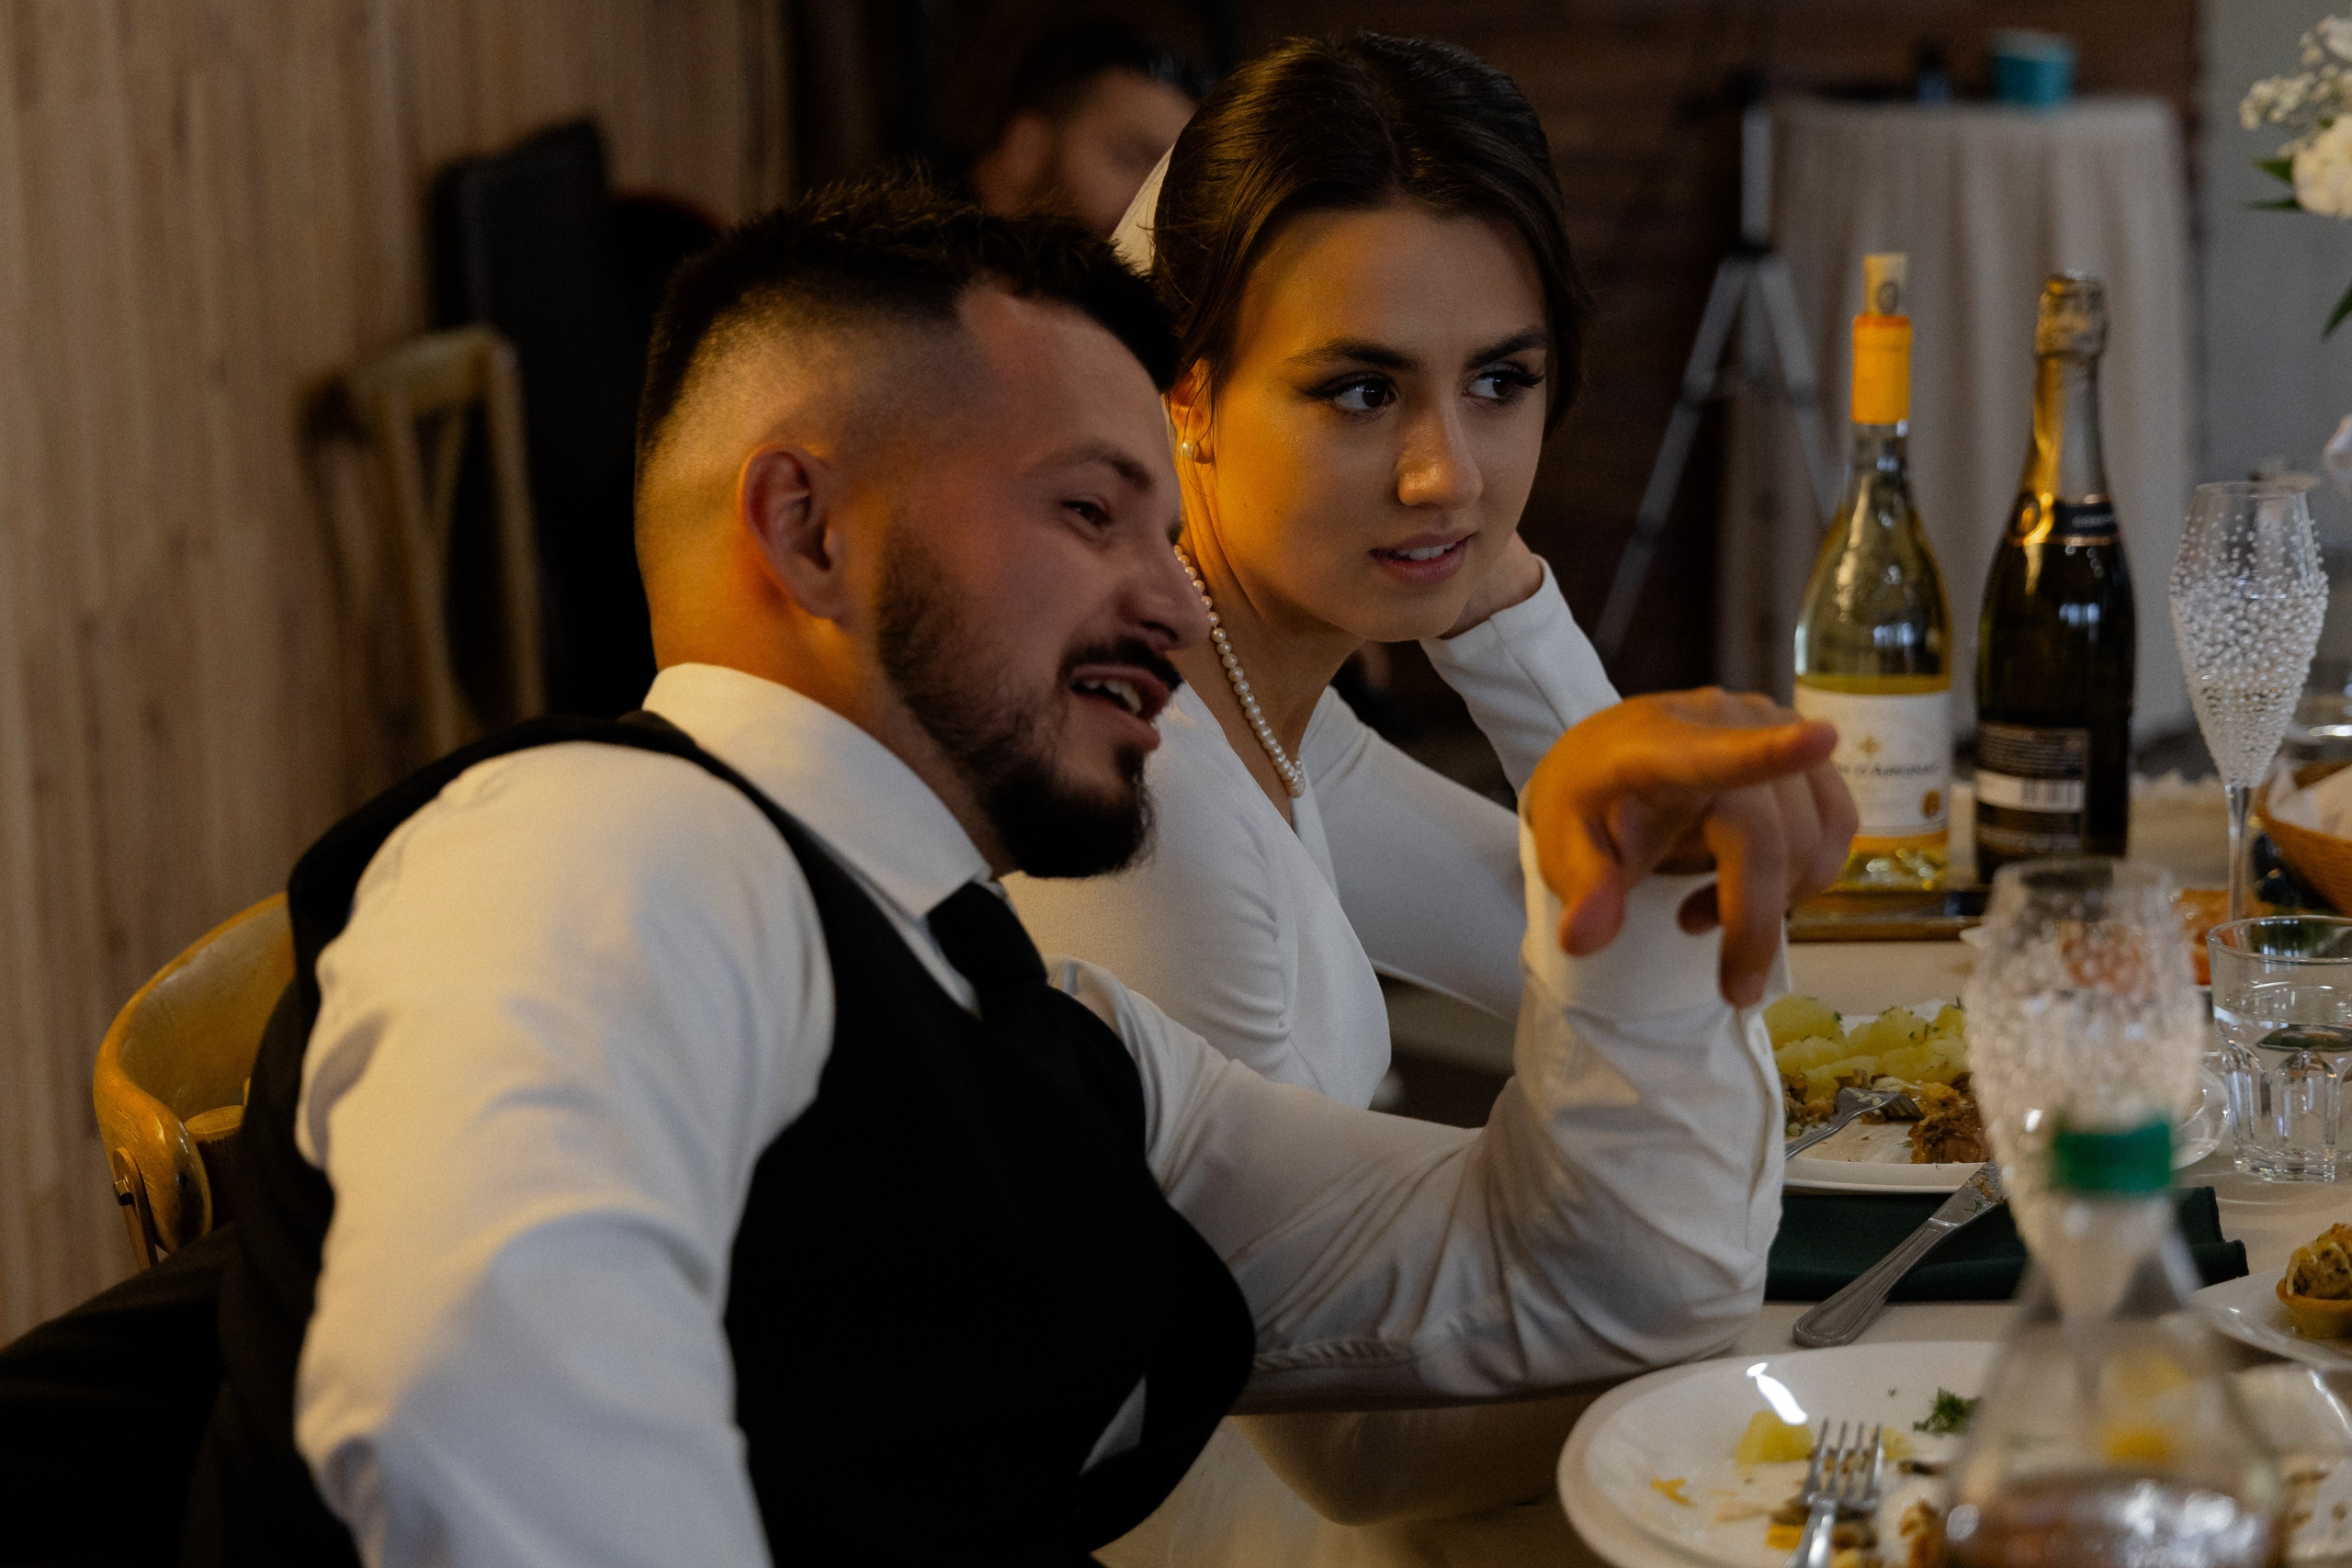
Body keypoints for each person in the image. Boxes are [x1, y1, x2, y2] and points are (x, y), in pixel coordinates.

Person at [85, 175, 1847, 1565]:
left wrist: (1635, 928)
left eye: (1168, 524)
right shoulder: (605, 844)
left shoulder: (1043, 1031)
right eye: (1091, 512)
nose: (1169, 594)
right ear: (809, 526)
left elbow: (1597, 1286)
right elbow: (478, 1435)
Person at [1004, 32, 1841, 1564]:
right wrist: (1720, 1362)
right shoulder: (1154, 800)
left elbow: (1689, 943)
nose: (1444, 472)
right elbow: (1348, 1445)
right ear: (1185, 392)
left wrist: (1510, 612)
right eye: (1359, 391)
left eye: (1498, 383)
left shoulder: (1262, 699)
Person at [966, 18, 1204, 237]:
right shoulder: (937, 271)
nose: (1160, 205)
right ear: (1026, 146)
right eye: (1130, 158)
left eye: (1172, 179)